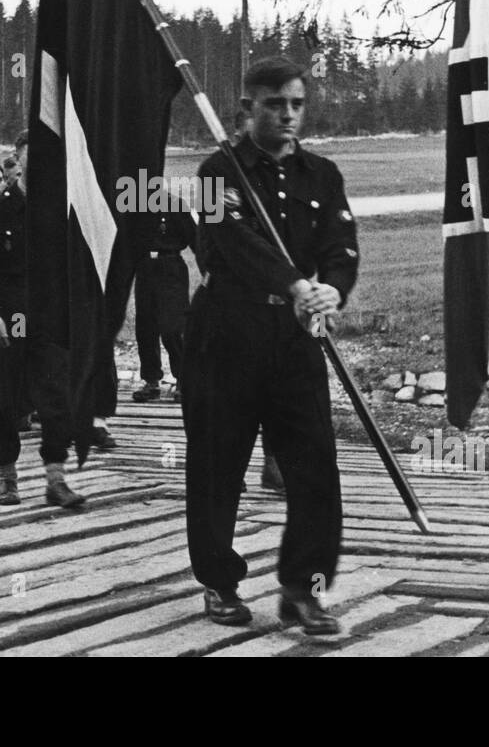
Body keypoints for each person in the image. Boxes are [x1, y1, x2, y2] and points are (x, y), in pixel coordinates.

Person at [180, 56, 358, 636]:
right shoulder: (216, 172)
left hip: (295, 337)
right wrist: (297, 285)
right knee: (218, 464)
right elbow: (233, 244)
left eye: (297, 104)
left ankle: (303, 590)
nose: (287, 114)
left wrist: (332, 289)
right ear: (247, 108)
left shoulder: (322, 174)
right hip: (227, 333)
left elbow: (341, 245)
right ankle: (219, 581)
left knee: (315, 466)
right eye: (275, 104)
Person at [0, 130, 85, 508]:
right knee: (4, 400)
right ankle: (7, 476)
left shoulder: (64, 208)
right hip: (13, 316)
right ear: (18, 161)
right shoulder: (0, 210)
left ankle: (56, 478)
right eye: (32, 157)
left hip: (52, 317)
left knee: (57, 397)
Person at [130, 206, 196, 405]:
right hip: (145, 267)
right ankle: (151, 381)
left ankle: (183, 380)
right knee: (145, 326)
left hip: (171, 267)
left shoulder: (176, 206)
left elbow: (196, 239)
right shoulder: (136, 207)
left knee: (173, 327)